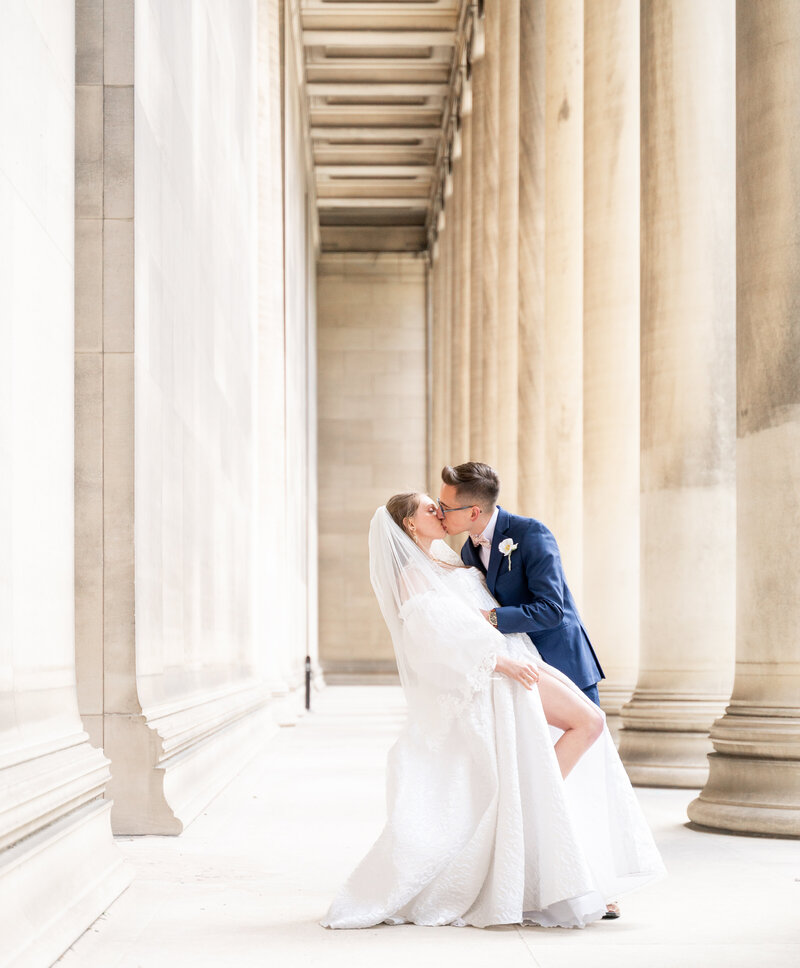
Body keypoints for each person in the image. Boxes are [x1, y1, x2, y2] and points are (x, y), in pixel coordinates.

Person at [320, 493, 665, 931]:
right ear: (409, 525)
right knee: (587, 723)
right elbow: (430, 636)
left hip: (518, 660)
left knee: (587, 724)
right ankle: (525, 824)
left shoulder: (456, 559)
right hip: (498, 672)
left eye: (442, 505)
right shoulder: (411, 575)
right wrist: (498, 662)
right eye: (430, 508)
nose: (440, 512)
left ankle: (529, 823)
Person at [439, 462, 603, 704]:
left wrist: (491, 618)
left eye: (445, 507)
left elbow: (552, 610)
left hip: (563, 664)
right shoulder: (467, 552)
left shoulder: (530, 533)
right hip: (524, 673)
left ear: (473, 512)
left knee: (589, 739)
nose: (439, 512)